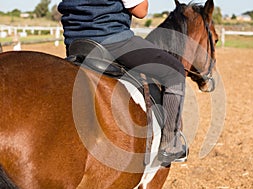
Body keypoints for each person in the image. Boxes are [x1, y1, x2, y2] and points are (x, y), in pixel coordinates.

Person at [58, 0, 187, 165]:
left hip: (75, 43)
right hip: (114, 41)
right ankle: (171, 144)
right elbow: (141, 11)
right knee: (175, 71)